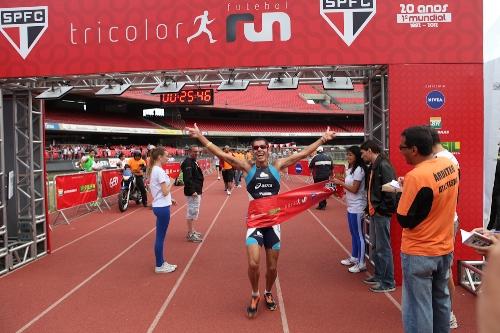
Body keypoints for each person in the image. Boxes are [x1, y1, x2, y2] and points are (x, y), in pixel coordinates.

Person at [185, 123, 336, 319]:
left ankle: (267, 291)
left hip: (273, 223)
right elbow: (223, 155)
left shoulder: (277, 166)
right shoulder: (247, 168)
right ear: (252, 151)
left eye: (262, 147)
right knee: (254, 264)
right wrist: (200, 137)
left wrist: (323, 139)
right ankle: (255, 294)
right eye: (255, 148)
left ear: (268, 149)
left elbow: (302, 154)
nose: (259, 151)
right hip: (255, 223)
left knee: (272, 267)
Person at [396, 126, 459, 333]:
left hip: (420, 251)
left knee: (417, 307)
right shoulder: (448, 164)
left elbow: (404, 219)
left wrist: (402, 193)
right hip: (444, 246)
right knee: (441, 301)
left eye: (402, 147)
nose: (400, 151)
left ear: (414, 149)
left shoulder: (416, 176)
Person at [428, 127, 460, 329]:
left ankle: (449, 312)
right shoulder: (444, 158)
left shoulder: (444, 160)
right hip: (442, 221)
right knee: (440, 271)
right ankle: (442, 310)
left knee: (444, 270)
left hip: (446, 222)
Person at [360, 140, 397, 292]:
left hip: (381, 213)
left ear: (369, 150)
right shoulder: (375, 166)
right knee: (376, 246)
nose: (362, 157)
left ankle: (388, 282)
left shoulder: (383, 166)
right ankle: (380, 275)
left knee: (383, 248)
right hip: (376, 212)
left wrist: (381, 209)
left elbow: (391, 190)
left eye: (363, 153)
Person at [331, 146, 368, 273]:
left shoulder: (359, 170)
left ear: (357, 156)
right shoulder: (351, 169)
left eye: (350, 155)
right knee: (353, 234)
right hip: (351, 205)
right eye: (347, 155)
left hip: (358, 206)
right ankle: (354, 257)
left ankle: (361, 262)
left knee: (359, 235)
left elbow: (354, 189)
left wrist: (340, 183)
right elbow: (349, 187)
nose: (348, 157)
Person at [147, 147, 177, 273]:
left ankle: (161, 263)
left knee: (160, 237)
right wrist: (171, 182)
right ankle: (159, 265)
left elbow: (160, 191)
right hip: (162, 207)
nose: (168, 158)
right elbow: (165, 191)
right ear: (159, 157)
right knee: (160, 237)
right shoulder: (158, 171)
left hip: (160, 205)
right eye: (166, 155)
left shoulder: (155, 169)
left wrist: (171, 199)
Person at [181, 145, 205, 243]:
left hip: (196, 190)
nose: (197, 153)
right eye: (195, 151)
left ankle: (192, 230)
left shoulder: (193, 161)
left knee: (194, 211)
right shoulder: (188, 163)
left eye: (198, 151)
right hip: (193, 192)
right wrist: (192, 191)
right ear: (189, 151)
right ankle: (190, 234)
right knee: (191, 211)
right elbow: (187, 178)